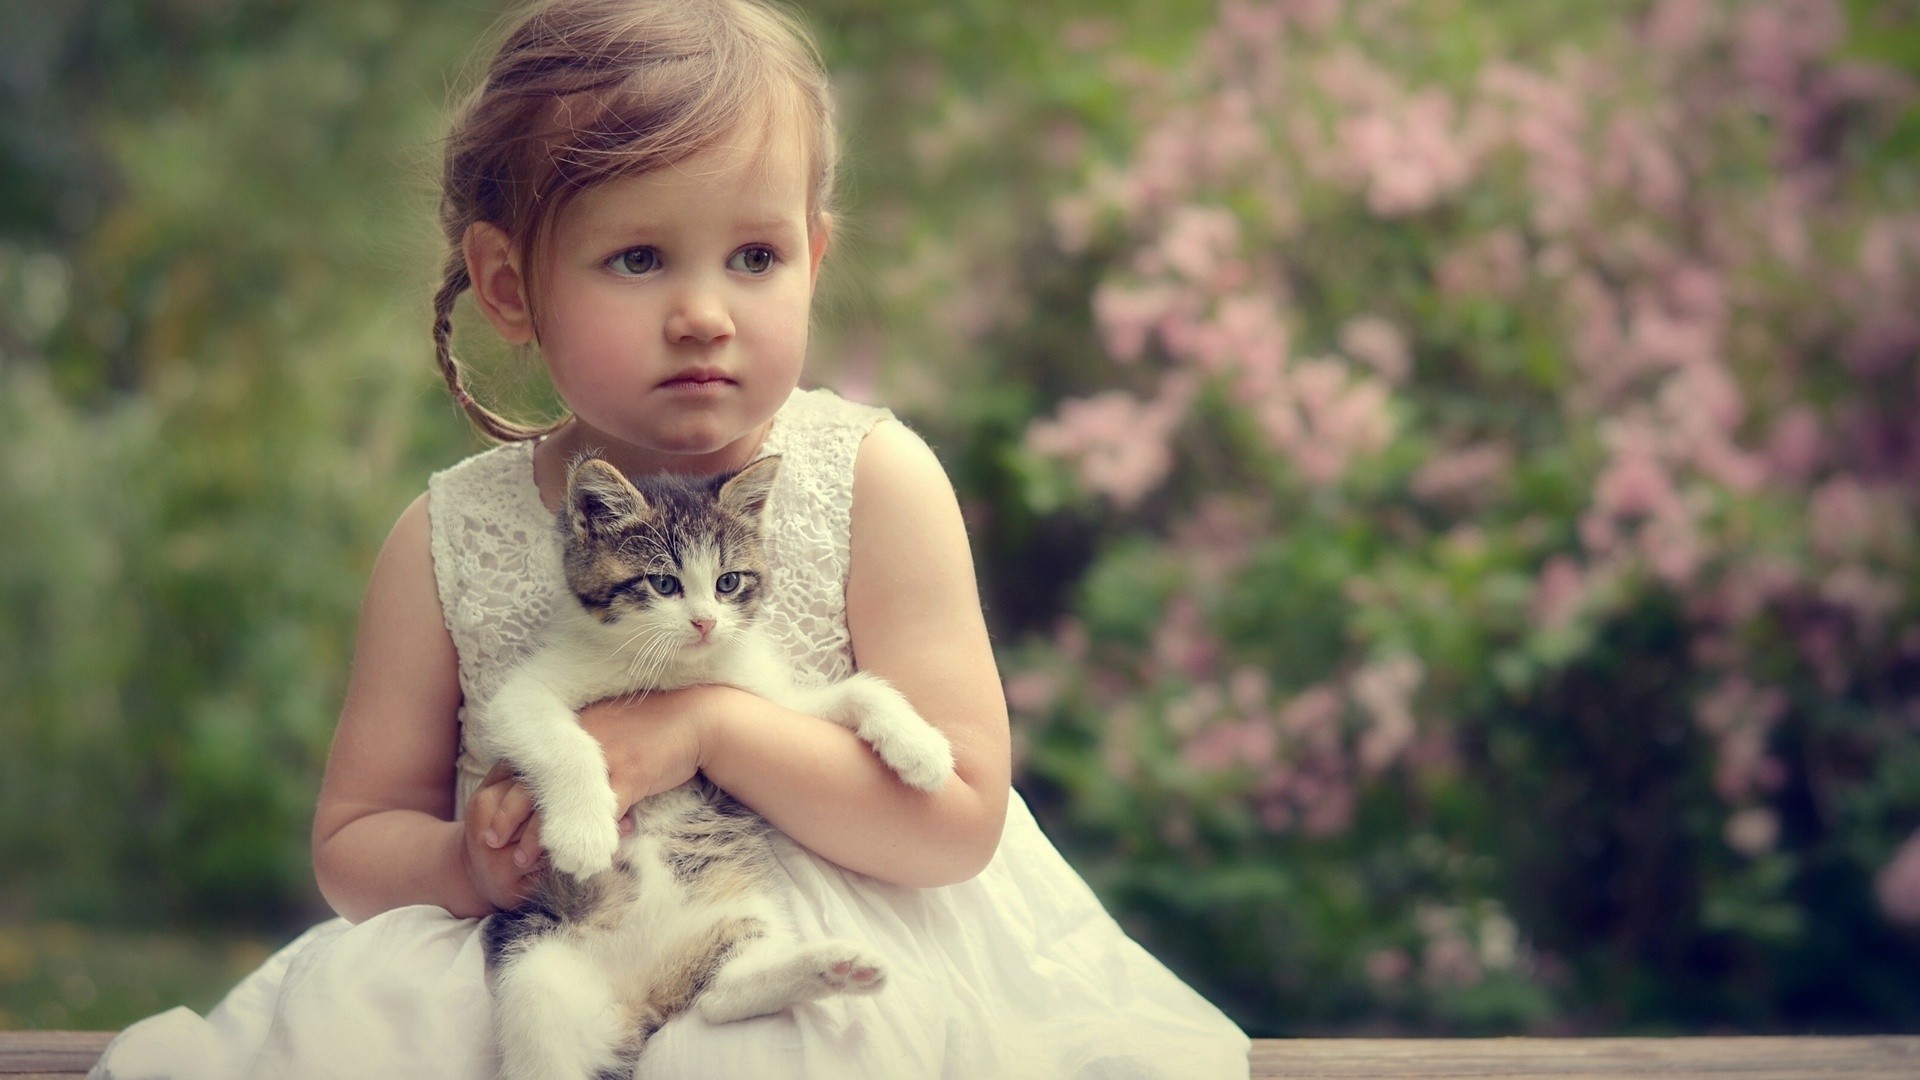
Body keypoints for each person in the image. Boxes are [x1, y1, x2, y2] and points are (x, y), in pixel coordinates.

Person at [91, 0, 1251, 1076]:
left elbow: (957, 822)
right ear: (510, 288)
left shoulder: (874, 481)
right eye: (639, 258)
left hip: (820, 948)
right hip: (557, 939)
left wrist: (704, 726)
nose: (705, 311)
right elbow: (354, 840)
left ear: (815, 255)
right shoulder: (446, 536)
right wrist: (465, 865)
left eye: (755, 257)